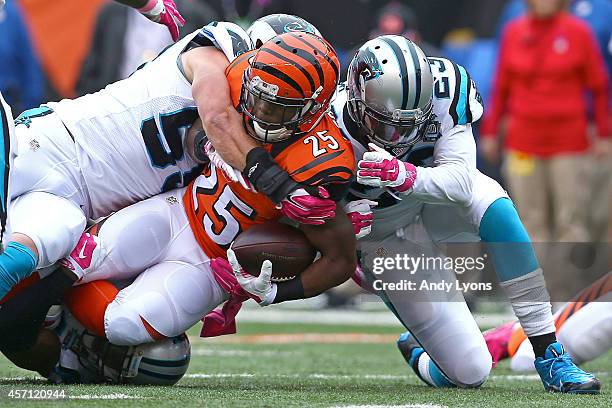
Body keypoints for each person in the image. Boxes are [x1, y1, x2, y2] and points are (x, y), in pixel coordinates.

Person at [219, 15, 602, 393]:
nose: (398, 135)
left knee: (496, 207)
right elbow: (297, 213)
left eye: (411, 123)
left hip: (433, 198)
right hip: (382, 235)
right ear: (355, 100)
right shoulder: (321, 118)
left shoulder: (447, 88)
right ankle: (419, 346)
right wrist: (334, 226)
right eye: (386, 125)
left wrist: (402, 174)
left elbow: (460, 180)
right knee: (471, 371)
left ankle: (548, 351)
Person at [0, 33, 356, 379]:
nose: (259, 111)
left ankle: (65, 330)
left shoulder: (323, 163)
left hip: (212, 263)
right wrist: (271, 180)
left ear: (315, 107)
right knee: (66, 259)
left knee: (124, 326)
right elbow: (210, 121)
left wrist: (278, 291)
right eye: (257, 96)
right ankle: (44, 315)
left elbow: (340, 257)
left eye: (278, 107)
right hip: (173, 211)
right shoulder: (227, 73)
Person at [480, 0, 610, 243]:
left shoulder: (579, 31)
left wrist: (603, 134)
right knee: (529, 222)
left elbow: (599, 86)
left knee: (571, 223)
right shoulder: (513, 31)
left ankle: (569, 282)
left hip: (569, 143)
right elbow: (501, 87)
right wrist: (490, 132)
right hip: (522, 142)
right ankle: (535, 281)